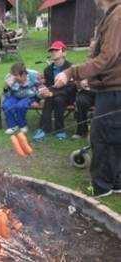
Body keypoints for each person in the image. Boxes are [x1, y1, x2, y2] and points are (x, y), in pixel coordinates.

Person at [55, 0, 121, 197]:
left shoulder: (117, 15)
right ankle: (116, 183)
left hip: (114, 91)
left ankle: (101, 187)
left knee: (100, 138)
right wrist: (88, 79)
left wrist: (71, 72)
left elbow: (107, 57)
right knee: (115, 138)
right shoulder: (114, 14)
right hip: (111, 89)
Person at [33, 41, 76, 141]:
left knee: (58, 99)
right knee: (50, 99)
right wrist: (43, 92)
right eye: (52, 50)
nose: (53, 52)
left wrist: (52, 93)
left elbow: (71, 87)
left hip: (68, 96)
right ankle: (45, 129)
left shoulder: (71, 68)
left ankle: (59, 130)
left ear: (64, 53)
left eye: (56, 50)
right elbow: (49, 86)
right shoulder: (47, 69)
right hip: (53, 95)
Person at [2, 62, 42, 135]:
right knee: (6, 105)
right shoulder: (10, 77)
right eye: (13, 75)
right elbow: (6, 94)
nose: (14, 77)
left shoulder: (33, 75)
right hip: (15, 95)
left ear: (23, 74)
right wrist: (7, 86)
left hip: (29, 96)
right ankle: (13, 126)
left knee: (20, 106)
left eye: (16, 75)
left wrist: (37, 100)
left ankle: (22, 125)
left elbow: (41, 88)